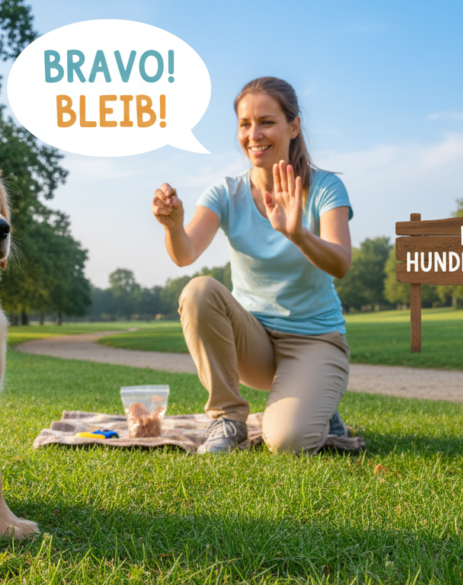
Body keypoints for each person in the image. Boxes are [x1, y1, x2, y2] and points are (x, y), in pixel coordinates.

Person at [151, 77, 353, 455]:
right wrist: (174, 226)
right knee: (199, 290)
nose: (253, 134)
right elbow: (184, 254)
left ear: (293, 127)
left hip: (314, 341)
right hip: (253, 341)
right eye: (245, 124)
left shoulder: (325, 189)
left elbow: (341, 263)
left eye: (266, 122)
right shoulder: (226, 192)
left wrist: (298, 235)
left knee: (289, 442)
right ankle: (228, 417)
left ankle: (320, 405)